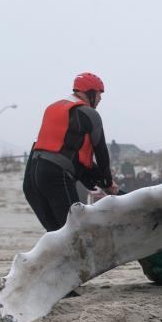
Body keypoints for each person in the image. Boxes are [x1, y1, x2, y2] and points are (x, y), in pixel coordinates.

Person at [23, 72, 116, 232]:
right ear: (90, 92)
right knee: (75, 232)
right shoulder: (89, 113)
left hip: (32, 177)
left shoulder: (53, 109)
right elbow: (101, 153)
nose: (100, 99)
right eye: (99, 94)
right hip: (56, 175)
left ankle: (55, 256)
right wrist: (107, 182)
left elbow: (69, 156)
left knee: (57, 234)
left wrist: (96, 180)